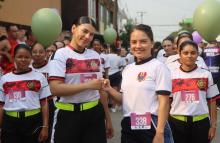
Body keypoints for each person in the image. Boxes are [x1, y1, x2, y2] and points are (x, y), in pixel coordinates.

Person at [102, 24, 173, 143]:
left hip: (152, 126)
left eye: (143, 41)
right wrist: (109, 89)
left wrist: (160, 132)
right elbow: (125, 100)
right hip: (129, 125)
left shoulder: (159, 67)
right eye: (134, 42)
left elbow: (164, 102)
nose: (138, 46)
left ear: (152, 43)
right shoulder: (127, 69)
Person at [48, 16, 113, 143]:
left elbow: (101, 90)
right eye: (84, 31)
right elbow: (55, 88)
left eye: (91, 34)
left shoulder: (95, 56)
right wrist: (88, 85)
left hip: (94, 115)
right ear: (73, 28)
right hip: (67, 116)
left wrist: (108, 118)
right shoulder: (60, 54)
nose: (88, 37)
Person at [168, 40, 219, 143]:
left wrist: (213, 126)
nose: (189, 56)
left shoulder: (206, 74)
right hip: (176, 124)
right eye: (185, 53)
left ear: (198, 55)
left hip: (201, 123)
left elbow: (212, 101)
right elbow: (167, 102)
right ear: (180, 54)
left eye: (193, 53)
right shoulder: (171, 75)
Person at [0, 44, 51, 143]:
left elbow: (44, 103)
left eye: (27, 57)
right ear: (14, 58)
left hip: (33, 122)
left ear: (31, 58)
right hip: (9, 123)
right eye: (20, 57)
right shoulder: (5, 78)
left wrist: (45, 127)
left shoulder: (39, 77)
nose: (23, 59)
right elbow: (1, 105)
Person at [30, 42, 55, 143]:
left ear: (45, 53)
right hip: (32, 104)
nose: (38, 54)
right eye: (35, 52)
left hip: (49, 103)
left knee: (46, 135)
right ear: (31, 53)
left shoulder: (52, 67)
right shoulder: (27, 68)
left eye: (41, 52)